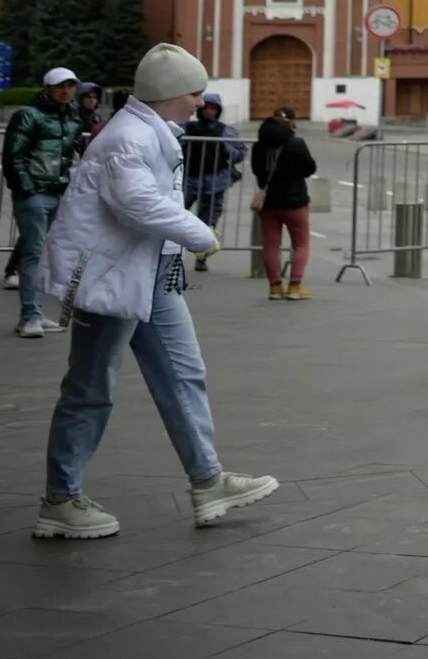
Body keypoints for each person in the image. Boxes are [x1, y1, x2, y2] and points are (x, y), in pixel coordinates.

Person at [33, 43, 279, 540]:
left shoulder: (145, 131)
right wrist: (201, 233)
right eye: (194, 92)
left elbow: (141, 205)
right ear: (172, 93)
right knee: (91, 387)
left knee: (183, 373)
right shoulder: (129, 136)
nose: (199, 101)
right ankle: (60, 500)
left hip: (145, 273)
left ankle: (208, 479)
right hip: (113, 279)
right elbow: (137, 204)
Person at [2, 66, 84, 337]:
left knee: (45, 254)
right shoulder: (28, 115)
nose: (66, 90)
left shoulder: (72, 117)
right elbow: (13, 155)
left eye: (71, 85)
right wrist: (27, 189)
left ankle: (35, 312)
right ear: (47, 88)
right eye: (61, 85)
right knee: (34, 252)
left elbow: (80, 151)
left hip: (58, 192)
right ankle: (29, 316)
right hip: (35, 194)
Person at [250, 108, 317, 300]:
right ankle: (295, 286)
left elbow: (257, 171)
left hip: (269, 203)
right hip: (295, 202)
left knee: (271, 245)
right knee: (301, 245)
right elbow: (309, 168)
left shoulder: (258, 147)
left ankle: (275, 287)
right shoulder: (296, 143)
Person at [179, 93, 246, 239]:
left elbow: (240, 153)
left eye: (212, 108)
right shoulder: (187, 128)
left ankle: (202, 258)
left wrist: (225, 148)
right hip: (188, 180)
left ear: (218, 111)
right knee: (177, 217)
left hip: (214, 182)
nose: (209, 111)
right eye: (206, 108)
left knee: (208, 222)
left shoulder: (226, 131)